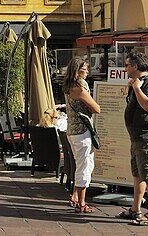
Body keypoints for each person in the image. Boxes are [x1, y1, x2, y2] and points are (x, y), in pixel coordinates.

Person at [120, 51, 148, 227]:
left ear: (135, 66)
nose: (126, 68)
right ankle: (135, 209)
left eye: (128, 65)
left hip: (147, 138)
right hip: (137, 138)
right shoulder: (139, 83)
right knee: (138, 175)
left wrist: (136, 88)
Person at [62, 56, 101, 214]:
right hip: (82, 132)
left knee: (83, 164)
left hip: (72, 131)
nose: (86, 72)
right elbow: (96, 108)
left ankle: (75, 196)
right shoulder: (79, 86)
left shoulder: (68, 86)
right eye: (83, 69)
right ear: (76, 71)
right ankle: (82, 202)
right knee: (84, 166)